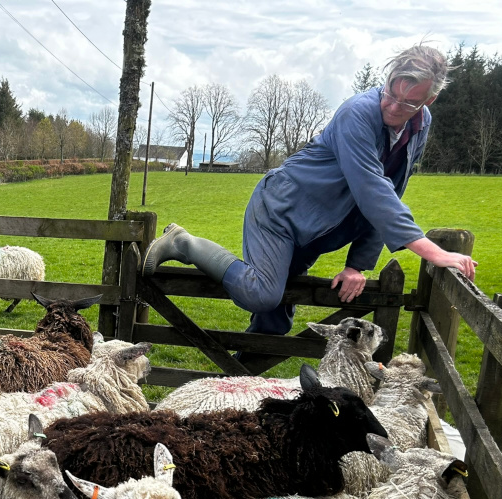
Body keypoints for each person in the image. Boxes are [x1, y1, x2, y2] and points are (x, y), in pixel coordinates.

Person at [141, 44, 478, 342]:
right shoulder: (358, 112)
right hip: (281, 209)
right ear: (387, 79)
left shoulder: (421, 123)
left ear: (428, 100)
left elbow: (391, 188)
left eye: (408, 102)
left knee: (274, 323)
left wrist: (357, 265)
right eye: (390, 93)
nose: (393, 107)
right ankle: (184, 243)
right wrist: (432, 252)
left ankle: (239, 382)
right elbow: (372, 189)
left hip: (317, 227)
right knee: (262, 295)